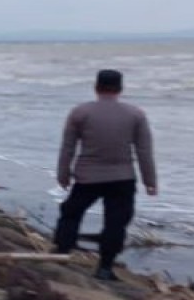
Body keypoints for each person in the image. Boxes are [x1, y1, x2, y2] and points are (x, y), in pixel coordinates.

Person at [53, 69, 157, 281]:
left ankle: (62, 253)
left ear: (96, 87)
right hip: (122, 178)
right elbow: (144, 151)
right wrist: (150, 181)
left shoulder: (80, 112)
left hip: (87, 177)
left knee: (71, 213)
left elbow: (68, 148)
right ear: (120, 89)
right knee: (116, 223)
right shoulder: (135, 114)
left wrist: (63, 174)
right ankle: (105, 267)